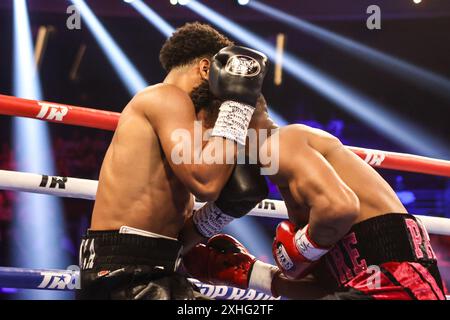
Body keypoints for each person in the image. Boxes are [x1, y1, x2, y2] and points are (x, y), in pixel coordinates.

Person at [183, 96, 446, 300]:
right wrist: (254, 274)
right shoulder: (297, 178)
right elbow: (326, 288)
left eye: (207, 139)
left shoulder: (279, 142)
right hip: (382, 285)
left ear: (224, 128)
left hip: (398, 282)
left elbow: (339, 208)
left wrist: (303, 249)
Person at [77, 22, 269, 300]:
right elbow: (206, 182)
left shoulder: (185, 122)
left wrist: (218, 214)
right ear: (207, 69)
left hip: (157, 267)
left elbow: (177, 235)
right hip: (124, 273)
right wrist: (237, 104)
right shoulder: (166, 97)